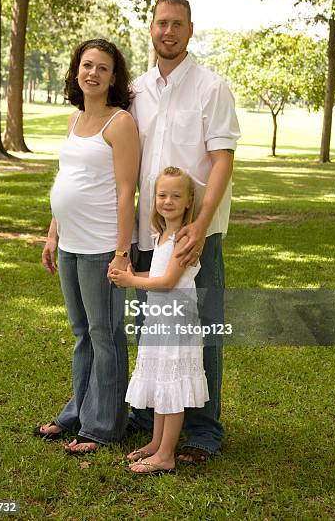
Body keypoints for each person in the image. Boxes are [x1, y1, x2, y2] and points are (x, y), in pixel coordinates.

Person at [128, 0, 241, 462]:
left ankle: (202, 431)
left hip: (198, 235)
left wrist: (201, 222)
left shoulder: (212, 87)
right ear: (151, 29)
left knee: (200, 330)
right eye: (161, 23)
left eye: (177, 24)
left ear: (190, 30)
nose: (168, 31)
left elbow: (221, 161)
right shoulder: (135, 91)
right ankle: (155, 417)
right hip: (149, 232)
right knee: (153, 329)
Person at [35, 38, 139, 454]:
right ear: (76, 70)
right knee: (82, 333)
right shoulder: (74, 120)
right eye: (86, 65)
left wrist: (120, 252)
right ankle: (79, 410)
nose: (92, 73)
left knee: (105, 335)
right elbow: (67, 181)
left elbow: (126, 190)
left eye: (102, 67)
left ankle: (103, 426)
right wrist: (53, 232)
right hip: (71, 244)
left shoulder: (121, 124)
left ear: (114, 78)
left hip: (100, 248)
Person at [111, 166, 209, 474]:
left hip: (176, 323)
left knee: (173, 384)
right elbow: (157, 276)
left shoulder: (183, 238)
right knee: (161, 379)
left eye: (176, 195)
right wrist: (128, 275)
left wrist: (131, 282)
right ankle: (156, 443)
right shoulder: (163, 235)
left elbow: (167, 282)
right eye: (162, 194)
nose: (167, 201)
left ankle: (166, 455)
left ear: (189, 201)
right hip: (160, 320)